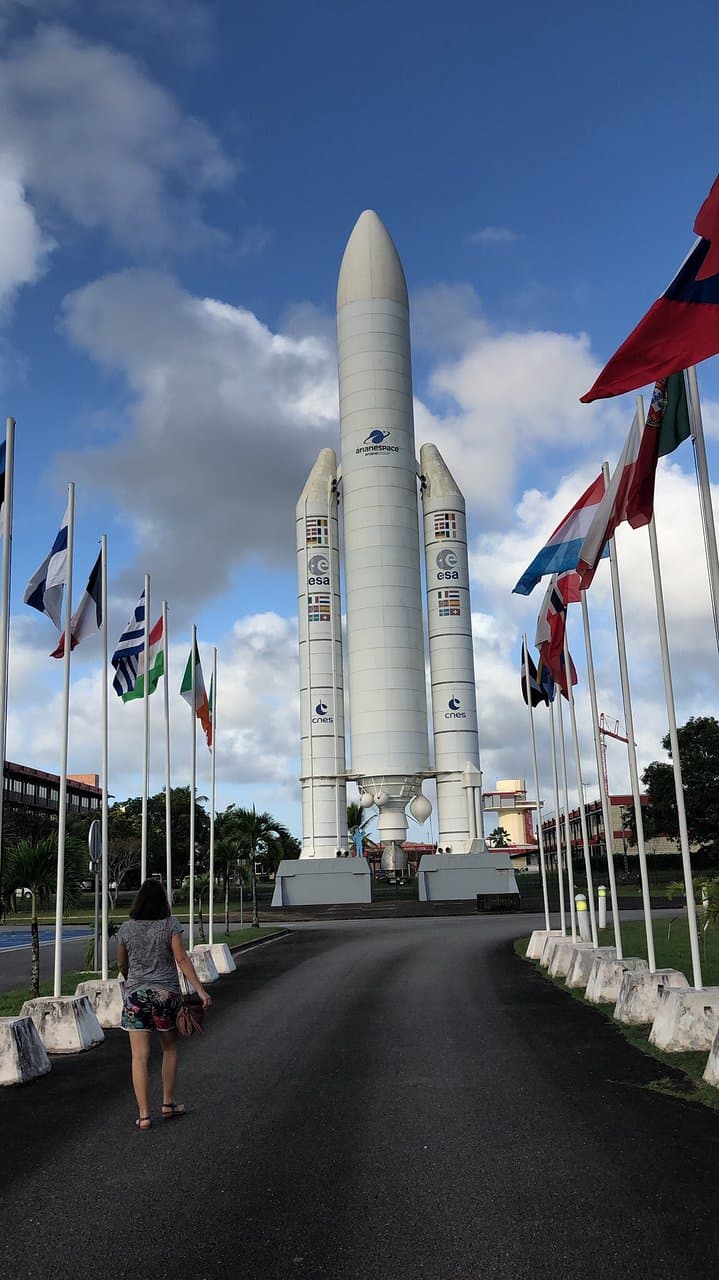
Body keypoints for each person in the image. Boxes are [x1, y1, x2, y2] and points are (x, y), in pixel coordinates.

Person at [116, 879, 212, 1131]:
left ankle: (144, 1115)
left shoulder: (126, 929)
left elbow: (122, 964)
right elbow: (180, 958)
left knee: (139, 1056)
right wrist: (200, 990)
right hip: (166, 996)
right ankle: (168, 1104)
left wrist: (133, 981)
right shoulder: (171, 925)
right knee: (169, 1049)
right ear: (163, 902)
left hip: (136, 996)